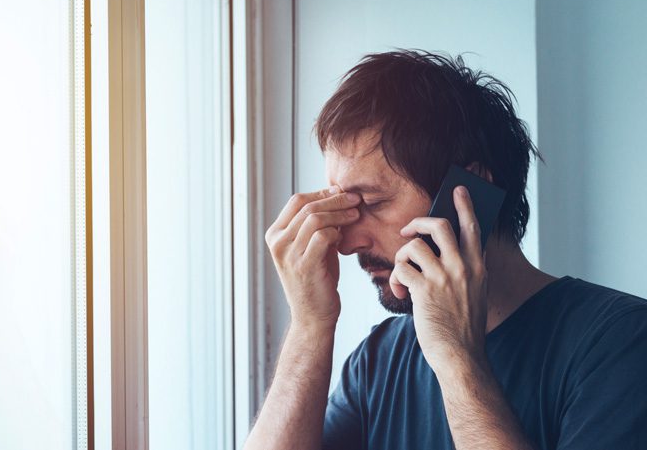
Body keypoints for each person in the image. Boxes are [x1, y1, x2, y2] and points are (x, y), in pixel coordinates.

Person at [243, 50, 647, 450]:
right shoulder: (377, 361)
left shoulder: (622, 344)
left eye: (373, 203)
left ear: (464, 194)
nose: (347, 244)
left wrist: (456, 356)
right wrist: (309, 326)